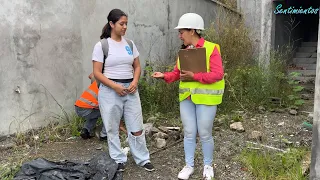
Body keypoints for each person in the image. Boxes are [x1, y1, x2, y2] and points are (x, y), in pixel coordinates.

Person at [151, 13, 225, 180]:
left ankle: (208, 165)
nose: (180, 35)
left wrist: (195, 76)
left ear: (192, 31)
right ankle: (189, 165)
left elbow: (218, 74)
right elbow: (178, 74)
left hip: (206, 99)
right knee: (189, 133)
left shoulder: (212, 48)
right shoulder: (183, 52)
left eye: (182, 32)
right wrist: (165, 76)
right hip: (187, 98)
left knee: (205, 133)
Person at [92, 9, 154, 172]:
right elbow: (97, 72)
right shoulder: (102, 46)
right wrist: (114, 86)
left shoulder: (130, 44)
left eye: (126, 23)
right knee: (112, 128)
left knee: (137, 127)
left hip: (130, 90)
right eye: (121, 24)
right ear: (112, 24)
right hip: (110, 91)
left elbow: (137, 66)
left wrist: (134, 81)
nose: (125, 27)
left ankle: (142, 158)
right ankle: (118, 159)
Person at [75, 73, 127, 140]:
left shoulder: (99, 81)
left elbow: (90, 75)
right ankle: (104, 135)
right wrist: (121, 125)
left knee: (94, 114)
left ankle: (86, 131)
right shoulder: (108, 88)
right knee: (109, 113)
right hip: (86, 109)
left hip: (79, 107)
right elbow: (112, 110)